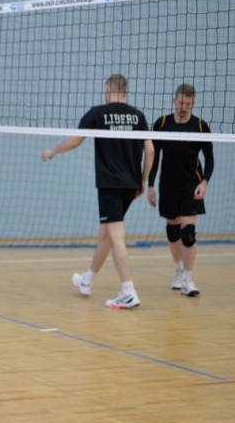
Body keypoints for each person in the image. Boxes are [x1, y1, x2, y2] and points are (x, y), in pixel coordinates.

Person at [42, 73, 154, 310]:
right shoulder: (138, 115)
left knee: (115, 236)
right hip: (130, 184)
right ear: (126, 92)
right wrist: (143, 181)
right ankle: (87, 280)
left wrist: (53, 151)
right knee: (106, 233)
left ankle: (128, 291)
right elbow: (151, 150)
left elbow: (75, 141)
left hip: (110, 185)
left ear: (107, 89)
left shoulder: (98, 113)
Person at [147, 83, 214, 297]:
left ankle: (187, 280)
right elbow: (154, 156)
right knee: (173, 230)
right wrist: (150, 185)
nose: (183, 107)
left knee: (188, 233)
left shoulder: (200, 126)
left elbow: (210, 158)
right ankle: (178, 270)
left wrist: (204, 182)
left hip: (191, 184)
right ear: (174, 100)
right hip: (168, 184)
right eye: (180, 102)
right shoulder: (162, 124)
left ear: (193, 103)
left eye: (187, 103)